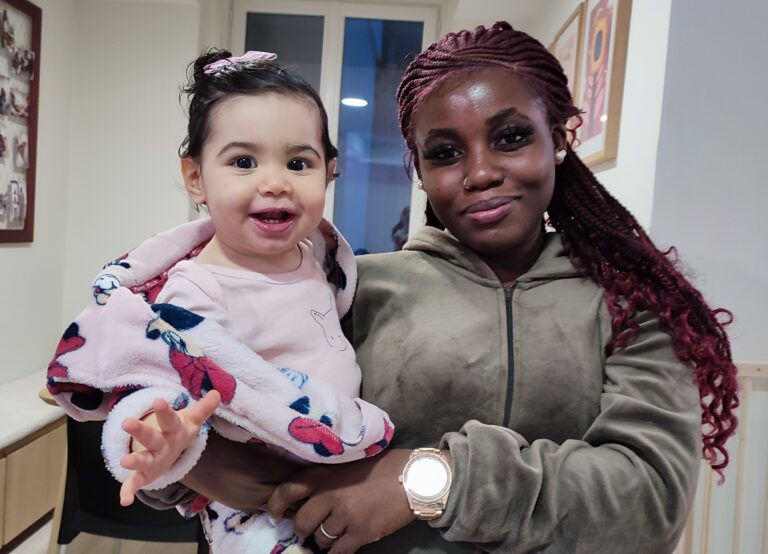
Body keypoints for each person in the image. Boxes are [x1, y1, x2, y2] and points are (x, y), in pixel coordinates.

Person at [73, 22, 740, 553]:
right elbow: (229, 404)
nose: (479, 172)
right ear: (418, 169)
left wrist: (432, 481)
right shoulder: (348, 291)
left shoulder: (633, 304)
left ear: (559, 139)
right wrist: (194, 462)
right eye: (445, 153)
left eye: (510, 137)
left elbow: (648, 499)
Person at [47, 49, 394, 554]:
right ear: (195, 178)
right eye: (243, 162)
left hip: (334, 468)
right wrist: (166, 437)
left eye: (299, 162)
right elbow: (166, 378)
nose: (274, 182)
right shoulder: (199, 287)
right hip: (257, 500)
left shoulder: (315, 256)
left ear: (330, 172)